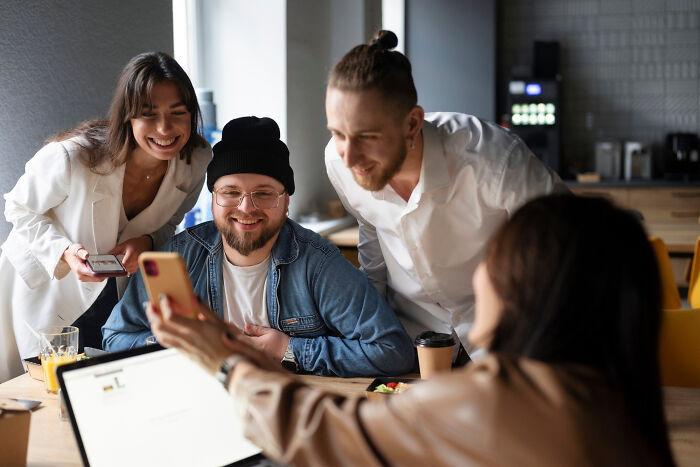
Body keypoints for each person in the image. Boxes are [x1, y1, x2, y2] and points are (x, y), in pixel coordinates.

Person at [147, 193, 675, 466]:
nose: (477, 274)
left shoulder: (496, 404)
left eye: (493, 258)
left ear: (534, 290)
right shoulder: (613, 404)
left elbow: (322, 434)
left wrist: (227, 362)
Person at [103, 116, 415, 377]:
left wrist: (287, 349)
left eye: (264, 193)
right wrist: (174, 344)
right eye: (230, 192)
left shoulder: (317, 263)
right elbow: (115, 336)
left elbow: (392, 351)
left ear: (286, 200)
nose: (247, 207)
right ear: (213, 199)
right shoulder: (177, 257)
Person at [324, 30, 568, 359]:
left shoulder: (493, 159)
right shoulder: (339, 161)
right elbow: (371, 228)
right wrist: (374, 329)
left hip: (503, 337)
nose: (349, 157)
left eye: (367, 136)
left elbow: (571, 244)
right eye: (338, 134)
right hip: (410, 339)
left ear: (412, 123)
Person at [0, 51, 211, 383]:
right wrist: (65, 252)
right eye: (148, 114)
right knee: (30, 388)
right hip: (45, 286)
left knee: (101, 387)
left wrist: (147, 241)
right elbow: (18, 208)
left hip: (113, 294)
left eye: (178, 113)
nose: (165, 128)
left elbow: (169, 222)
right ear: (127, 116)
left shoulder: (195, 160)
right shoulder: (73, 158)